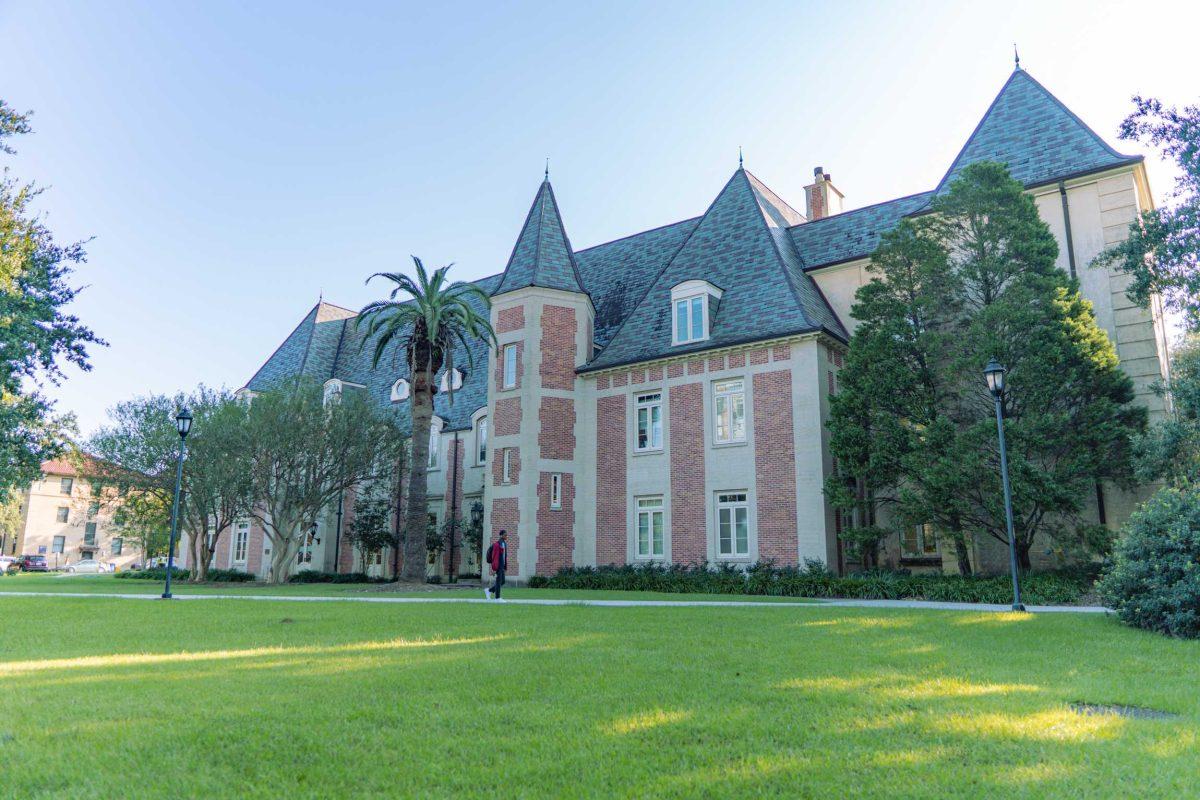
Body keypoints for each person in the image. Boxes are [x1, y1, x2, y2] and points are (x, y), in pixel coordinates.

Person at [484, 530, 508, 601]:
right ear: (501, 535)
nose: (506, 536)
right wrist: (494, 568)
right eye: (505, 535)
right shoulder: (497, 544)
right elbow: (495, 557)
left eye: (506, 535)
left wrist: (505, 566)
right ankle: (497, 598)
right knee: (498, 581)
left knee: (502, 581)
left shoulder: (504, 543)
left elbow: (504, 556)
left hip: (502, 565)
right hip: (498, 566)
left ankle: (489, 591)